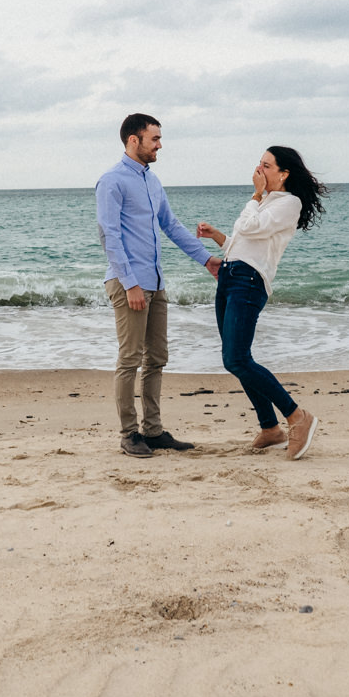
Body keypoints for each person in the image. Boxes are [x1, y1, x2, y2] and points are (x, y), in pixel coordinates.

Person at [97, 113, 221, 458]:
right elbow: (110, 235)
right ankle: (128, 433)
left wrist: (206, 258)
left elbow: (172, 225)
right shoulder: (112, 181)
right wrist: (130, 283)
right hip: (129, 284)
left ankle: (152, 431)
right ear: (133, 140)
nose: (160, 145)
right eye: (154, 139)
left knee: (157, 359)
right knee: (129, 359)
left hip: (156, 283)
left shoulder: (152, 182)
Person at [195, 146, 327, 460]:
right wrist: (219, 238)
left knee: (236, 359)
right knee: (237, 357)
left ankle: (297, 417)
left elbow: (250, 228)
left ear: (284, 174)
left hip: (248, 282)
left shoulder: (288, 203)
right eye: (259, 164)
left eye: (267, 166)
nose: (259, 170)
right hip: (231, 275)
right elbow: (245, 243)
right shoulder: (268, 202)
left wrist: (254, 196)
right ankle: (270, 428)